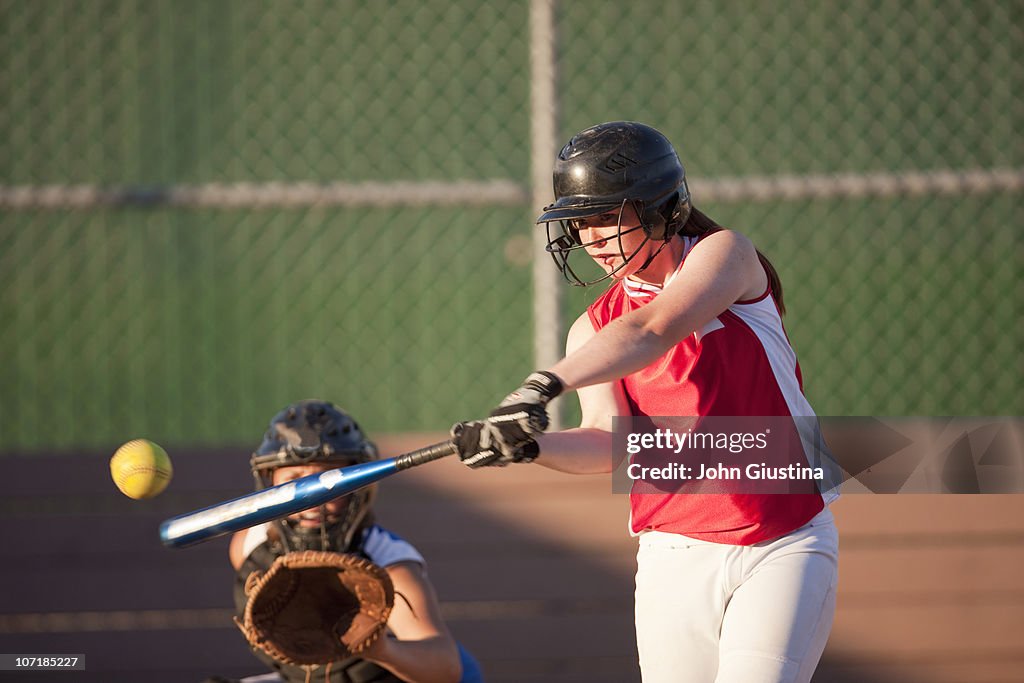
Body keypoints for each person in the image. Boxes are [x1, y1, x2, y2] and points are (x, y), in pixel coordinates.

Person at [451, 121, 839, 683]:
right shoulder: (592, 330)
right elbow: (610, 443)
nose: (593, 239)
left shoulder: (724, 255)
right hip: (674, 552)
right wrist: (529, 446)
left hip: (784, 535)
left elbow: (654, 328)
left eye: (608, 216)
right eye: (582, 223)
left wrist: (542, 385)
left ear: (662, 208)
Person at [209, 399, 481, 683]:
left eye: (328, 482)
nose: (311, 500)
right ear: (270, 482)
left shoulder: (387, 562)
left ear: (357, 488)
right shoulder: (251, 546)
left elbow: (447, 670)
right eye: (294, 480)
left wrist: (381, 649)